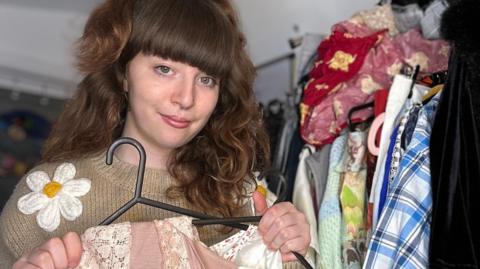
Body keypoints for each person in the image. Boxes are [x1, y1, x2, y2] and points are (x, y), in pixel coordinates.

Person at [0, 0, 312, 268]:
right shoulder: (44, 199)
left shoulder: (245, 197)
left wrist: (295, 251)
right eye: (164, 69)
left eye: (206, 79)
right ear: (123, 74)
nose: (186, 98)